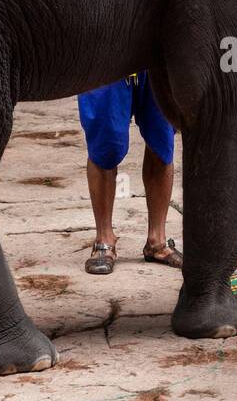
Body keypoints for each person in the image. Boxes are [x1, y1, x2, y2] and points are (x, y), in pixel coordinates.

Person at [77, 72, 183, 274]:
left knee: (162, 142)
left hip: (156, 56)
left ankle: (157, 241)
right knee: (104, 144)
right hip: (106, 53)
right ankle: (104, 239)